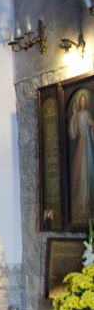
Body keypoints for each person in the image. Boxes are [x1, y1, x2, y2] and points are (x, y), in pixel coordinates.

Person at [69, 91, 94, 222]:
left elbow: (91, 125)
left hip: (88, 145)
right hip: (81, 145)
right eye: (81, 101)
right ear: (79, 103)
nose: (83, 103)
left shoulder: (88, 114)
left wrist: (92, 125)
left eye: (84, 101)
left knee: (88, 173)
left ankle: (87, 202)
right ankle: (80, 201)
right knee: (81, 174)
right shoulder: (78, 115)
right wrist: (74, 115)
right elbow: (74, 133)